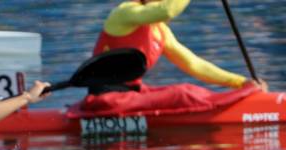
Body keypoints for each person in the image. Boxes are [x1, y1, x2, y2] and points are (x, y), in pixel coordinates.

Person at [73, 0, 268, 118]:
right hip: (105, 100)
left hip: (133, 96)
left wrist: (241, 82)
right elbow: (167, 10)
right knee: (182, 93)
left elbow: (194, 64)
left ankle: (240, 100)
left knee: (192, 91)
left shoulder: (160, 31)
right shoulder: (124, 14)